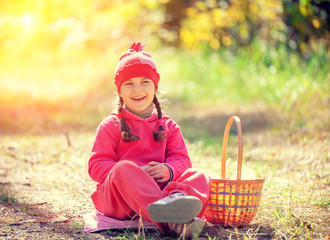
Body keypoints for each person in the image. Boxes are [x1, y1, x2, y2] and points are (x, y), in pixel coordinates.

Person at [88, 42, 211, 239]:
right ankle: (171, 218)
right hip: (119, 200)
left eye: (145, 81)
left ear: (155, 87)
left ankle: (172, 216)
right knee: (123, 168)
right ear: (119, 91)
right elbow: (96, 166)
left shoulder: (168, 125)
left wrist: (168, 170)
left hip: (160, 190)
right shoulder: (111, 125)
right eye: (129, 84)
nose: (137, 89)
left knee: (199, 175)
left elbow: (182, 160)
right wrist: (136, 172)